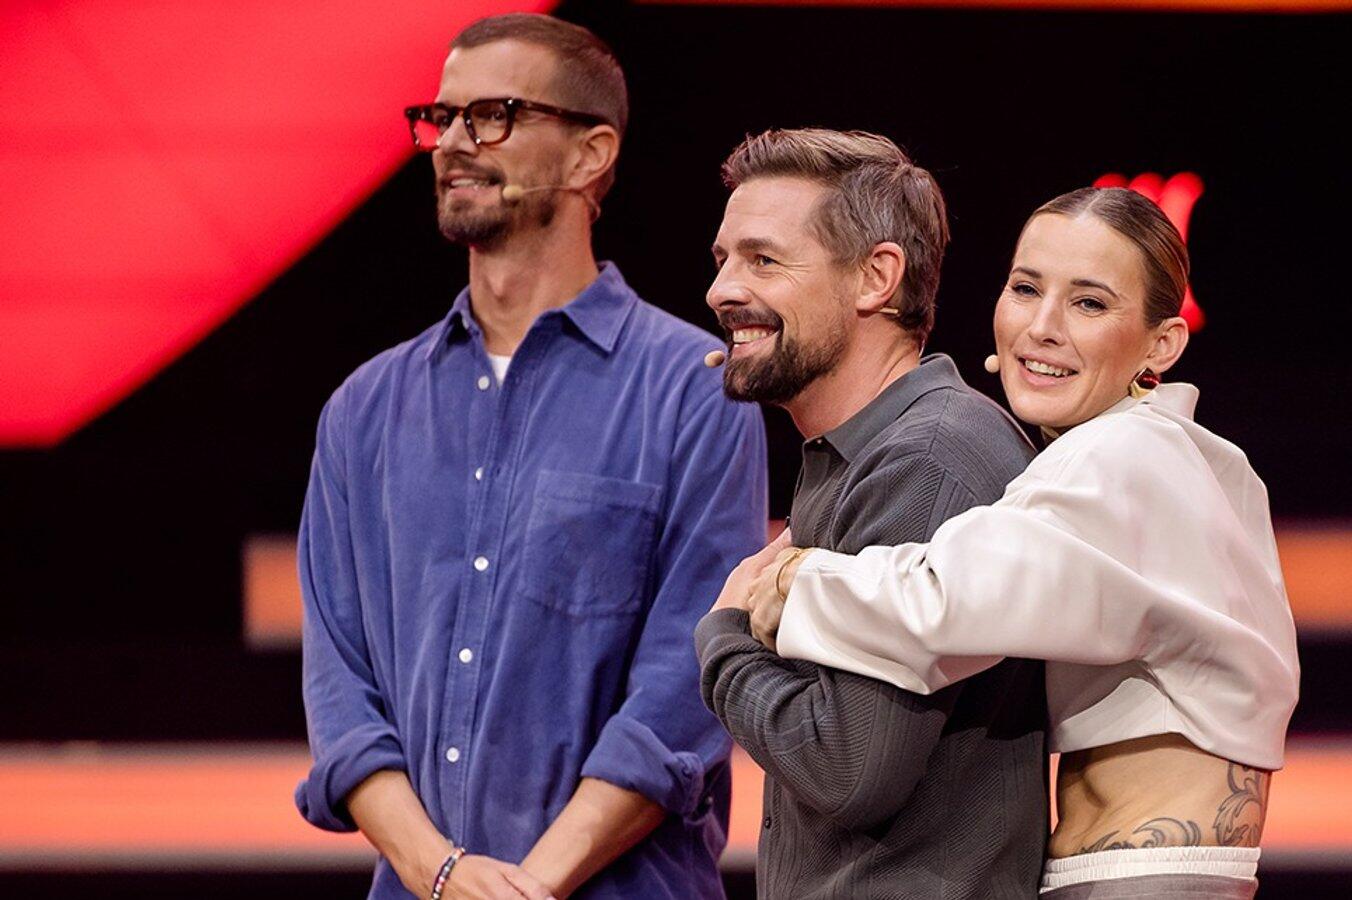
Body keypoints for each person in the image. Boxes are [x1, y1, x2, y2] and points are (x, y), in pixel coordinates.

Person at [295, 13, 767, 899]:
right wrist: (442, 876)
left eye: (493, 115)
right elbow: (341, 693)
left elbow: (685, 687)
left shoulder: (695, 391)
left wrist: (524, 889)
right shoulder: (365, 409)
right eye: (442, 118)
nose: (453, 144)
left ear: (591, 155)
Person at [730, 187, 1300, 898]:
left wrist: (787, 582)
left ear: (1163, 344)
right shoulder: (1181, 455)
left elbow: (942, 606)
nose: (1042, 327)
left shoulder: (1119, 457)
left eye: (1089, 303)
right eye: (1026, 289)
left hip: (1139, 880)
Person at [696, 128, 1049, 898]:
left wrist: (722, 640)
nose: (721, 290)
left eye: (762, 260)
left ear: (875, 277)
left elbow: (848, 768)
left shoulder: (929, 460)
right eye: (722, 259)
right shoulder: (859, 453)